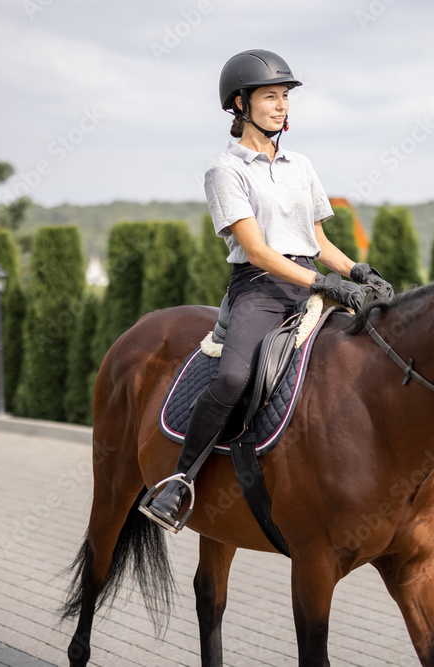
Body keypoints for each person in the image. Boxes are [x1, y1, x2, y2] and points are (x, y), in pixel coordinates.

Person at [140, 49, 394, 532]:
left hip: (307, 280)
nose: (281, 106)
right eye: (270, 97)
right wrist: (325, 283)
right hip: (259, 288)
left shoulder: (301, 165)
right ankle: (178, 482)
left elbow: (317, 241)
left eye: (285, 97)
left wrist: (360, 272)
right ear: (240, 103)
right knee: (234, 377)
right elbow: (256, 250)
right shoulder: (226, 170)